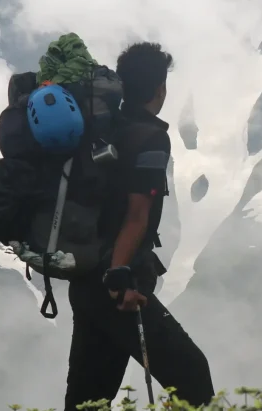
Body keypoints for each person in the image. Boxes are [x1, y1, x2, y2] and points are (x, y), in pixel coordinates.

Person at [63, 41, 215, 410]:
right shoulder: (150, 138)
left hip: (84, 280)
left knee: (89, 398)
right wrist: (119, 276)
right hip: (118, 289)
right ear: (160, 89)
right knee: (193, 375)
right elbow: (137, 215)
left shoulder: (103, 129)